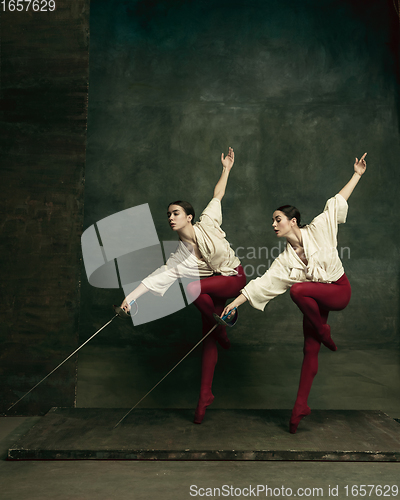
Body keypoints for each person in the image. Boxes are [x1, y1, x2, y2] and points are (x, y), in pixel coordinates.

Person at [222, 153, 367, 433]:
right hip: (315, 305)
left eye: (278, 219)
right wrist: (234, 304)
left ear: (293, 221)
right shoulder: (284, 260)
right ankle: (299, 407)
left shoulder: (320, 228)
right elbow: (262, 284)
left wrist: (357, 175)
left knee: (298, 290)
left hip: (338, 291)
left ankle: (324, 332)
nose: (274, 224)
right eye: (273, 221)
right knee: (309, 350)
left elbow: (337, 202)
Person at [121, 147, 246, 424]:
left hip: (233, 278)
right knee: (208, 337)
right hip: (211, 289)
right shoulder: (180, 256)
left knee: (191, 289)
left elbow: (217, 196)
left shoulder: (209, 223)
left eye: (175, 212)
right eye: (168, 214)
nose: (170, 217)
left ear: (189, 216)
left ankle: (222, 330)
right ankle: (204, 398)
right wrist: (131, 297)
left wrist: (226, 168)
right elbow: (158, 277)